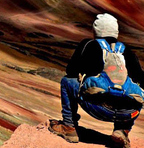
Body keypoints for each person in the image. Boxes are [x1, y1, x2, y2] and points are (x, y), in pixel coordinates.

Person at [49, 13, 144, 148]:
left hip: (98, 107)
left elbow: (71, 71)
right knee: (137, 93)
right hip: (127, 114)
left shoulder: (89, 44)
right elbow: (141, 79)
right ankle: (122, 130)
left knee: (66, 81)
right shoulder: (127, 51)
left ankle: (69, 127)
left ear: (96, 30)